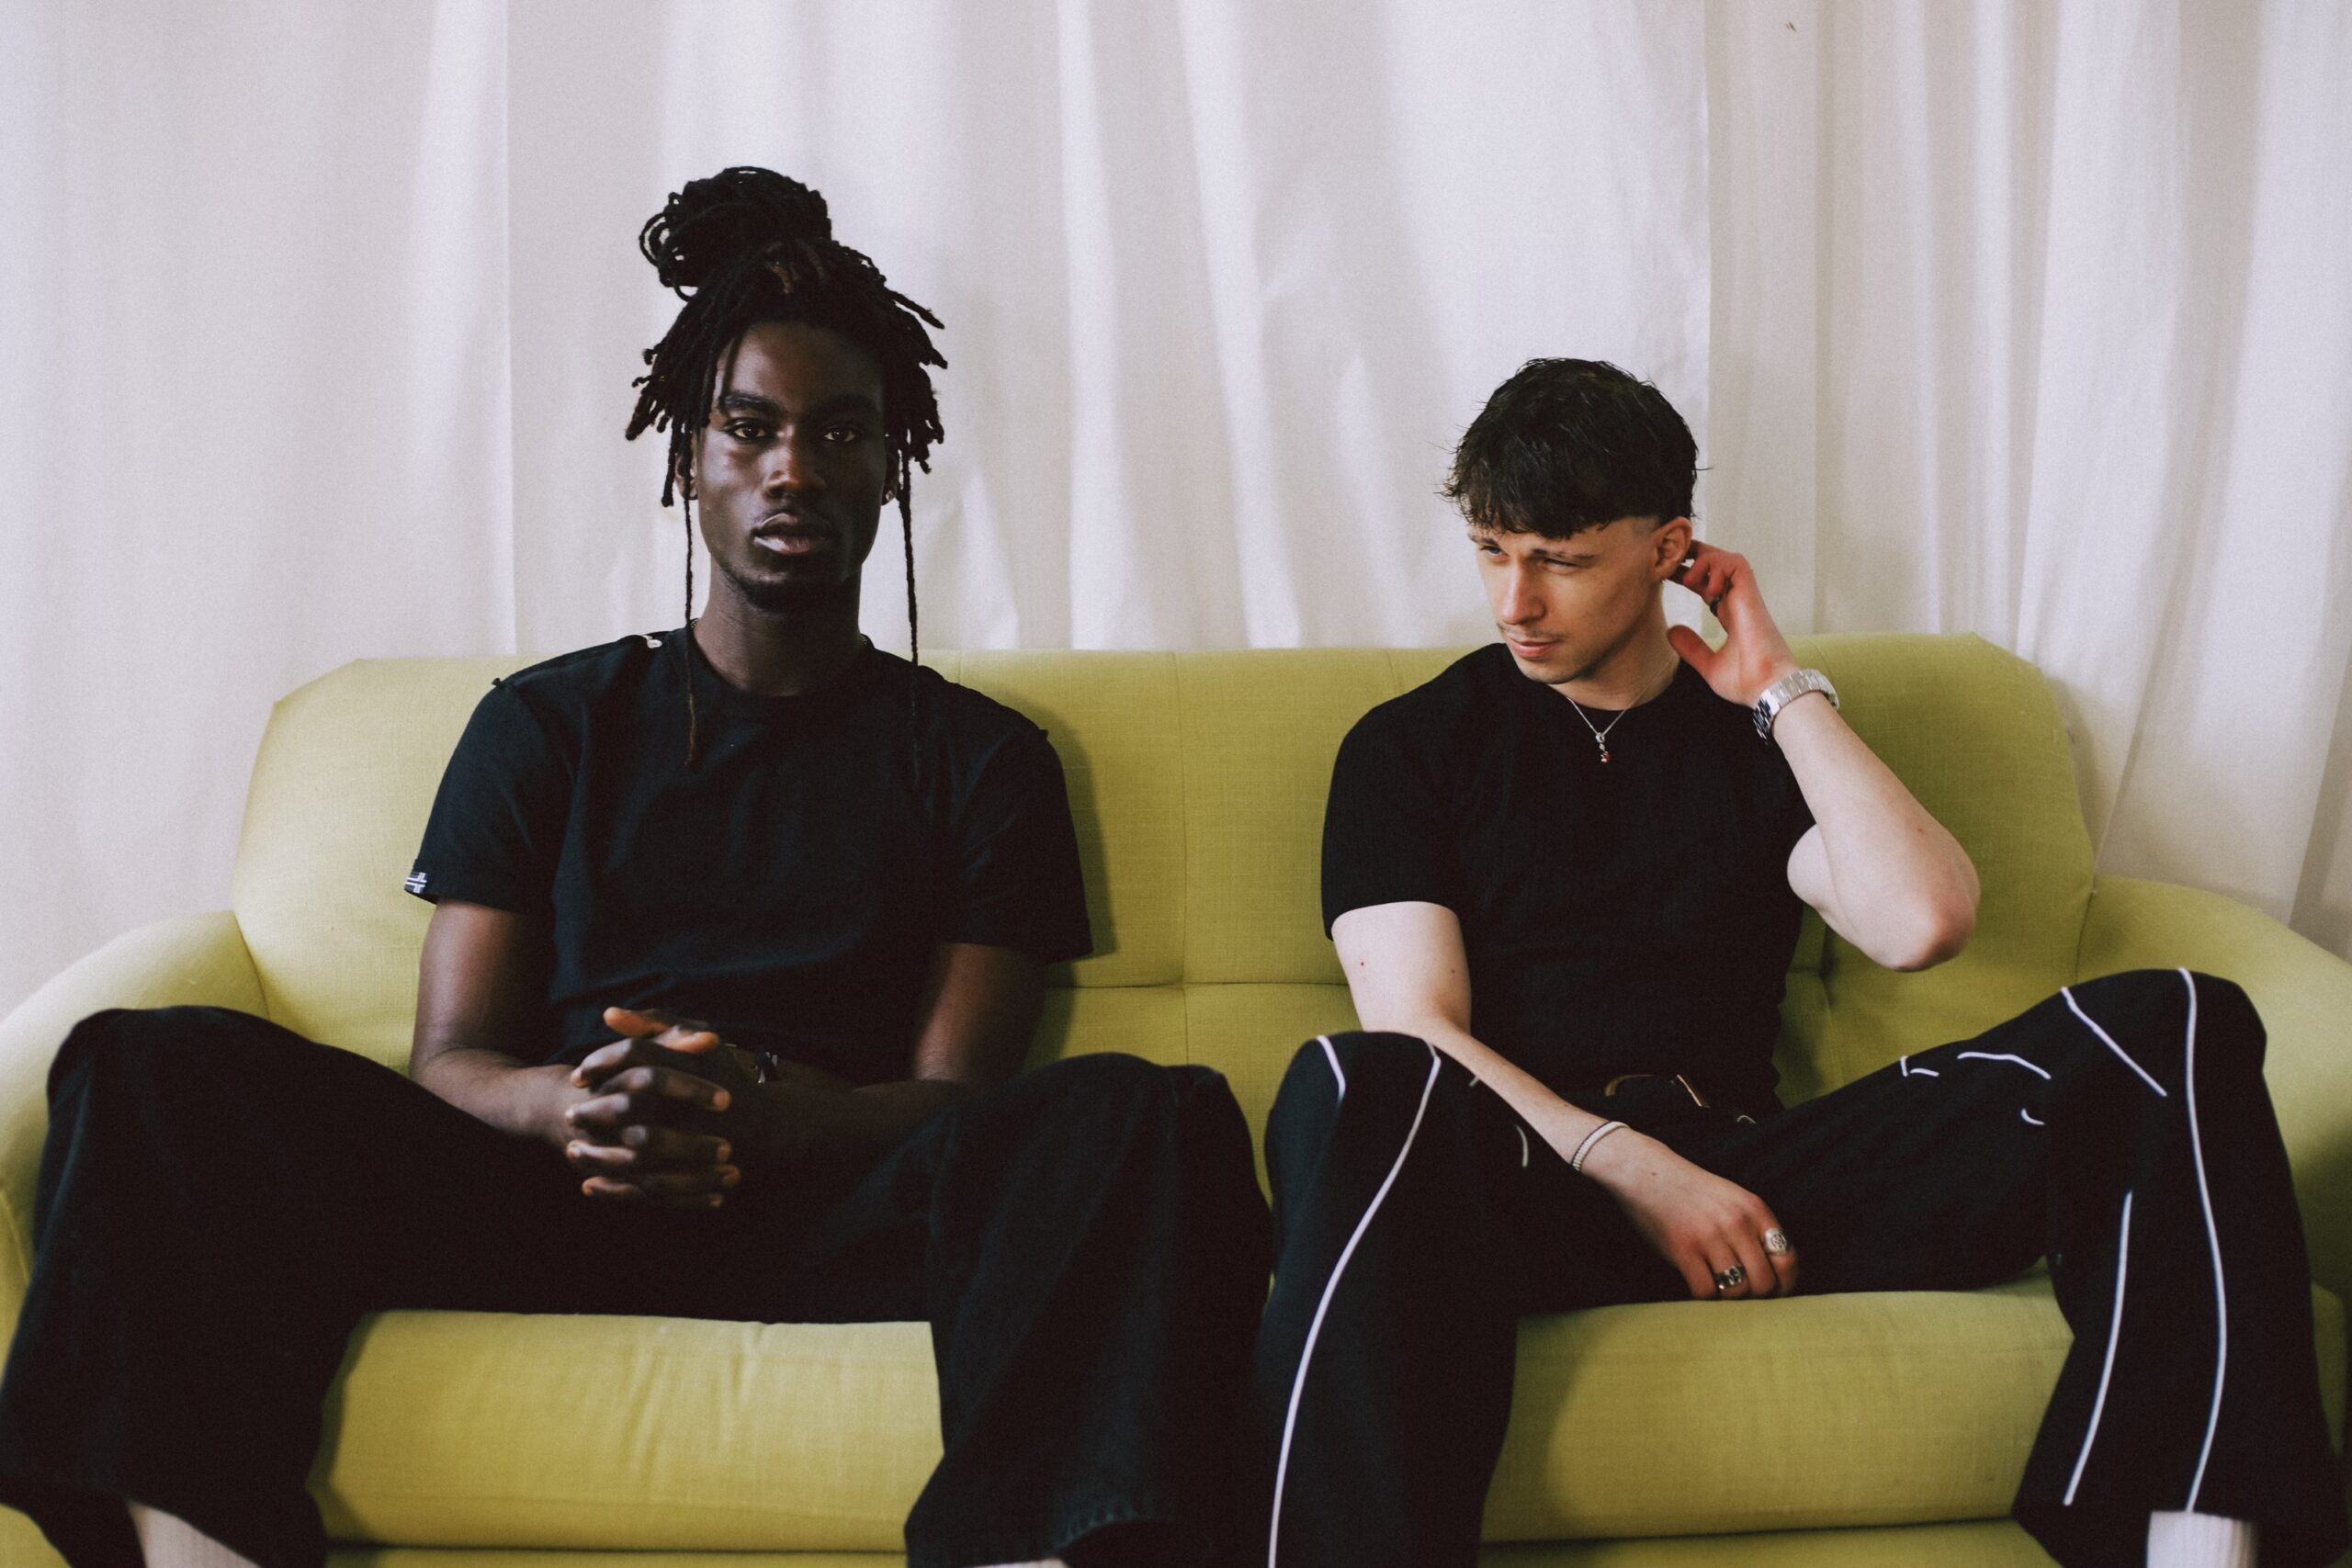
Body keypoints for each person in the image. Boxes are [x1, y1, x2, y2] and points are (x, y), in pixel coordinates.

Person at [0, 167, 1270, 1568]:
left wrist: (777, 1117)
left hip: (829, 1200)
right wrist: (574, 1104)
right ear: (687, 460)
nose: (794, 468)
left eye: (841, 432)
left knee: (1149, 1115)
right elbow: (452, 1061)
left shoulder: (981, 758)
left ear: (890, 465)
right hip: (557, 1195)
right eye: (751, 428)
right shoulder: (548, 723)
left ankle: (1030, 1551)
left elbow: (960, 1097)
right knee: (151, 1064)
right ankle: (197, 1550)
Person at [1239, 358, 2348, 1568]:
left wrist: (1779, 690)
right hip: (1523, 1186)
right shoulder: (1409, 747)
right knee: (1353, 1084)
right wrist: (1636, 1169)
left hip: (1756, 1192)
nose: (1517, 601)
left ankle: (2194, 1546)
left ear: (1670, 549)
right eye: (1492, 552)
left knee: (2174, 1022)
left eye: (1562, 560)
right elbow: (1416, 1029)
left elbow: (1922, 922)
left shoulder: (1756, 741)